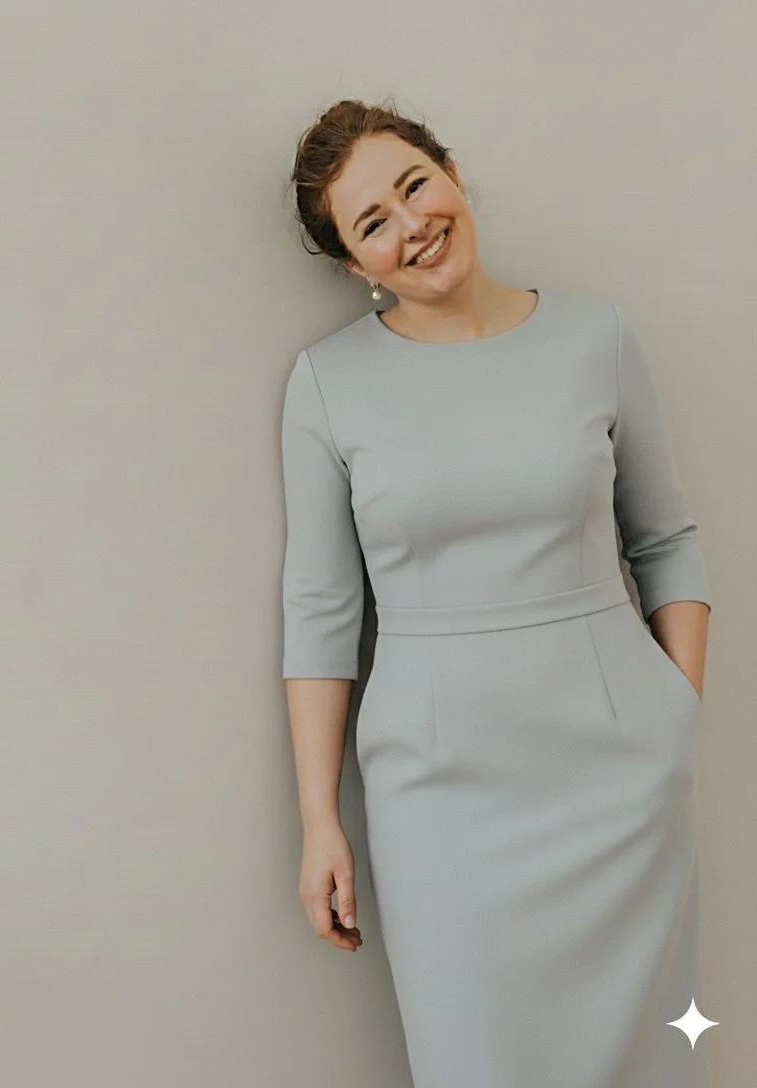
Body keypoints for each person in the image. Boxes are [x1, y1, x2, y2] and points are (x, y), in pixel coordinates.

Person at [279, 98, 714, 1087]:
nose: (410, 224)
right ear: (355, 264)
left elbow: (669, 540)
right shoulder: (327, 384)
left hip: (622, 776)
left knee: (649, 1061)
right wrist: (319, 819)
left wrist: (676, 719)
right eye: (371, 222)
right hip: (440, 795)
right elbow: (320, 614)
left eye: (413, 184)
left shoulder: (595, 339)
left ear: (453, 172)